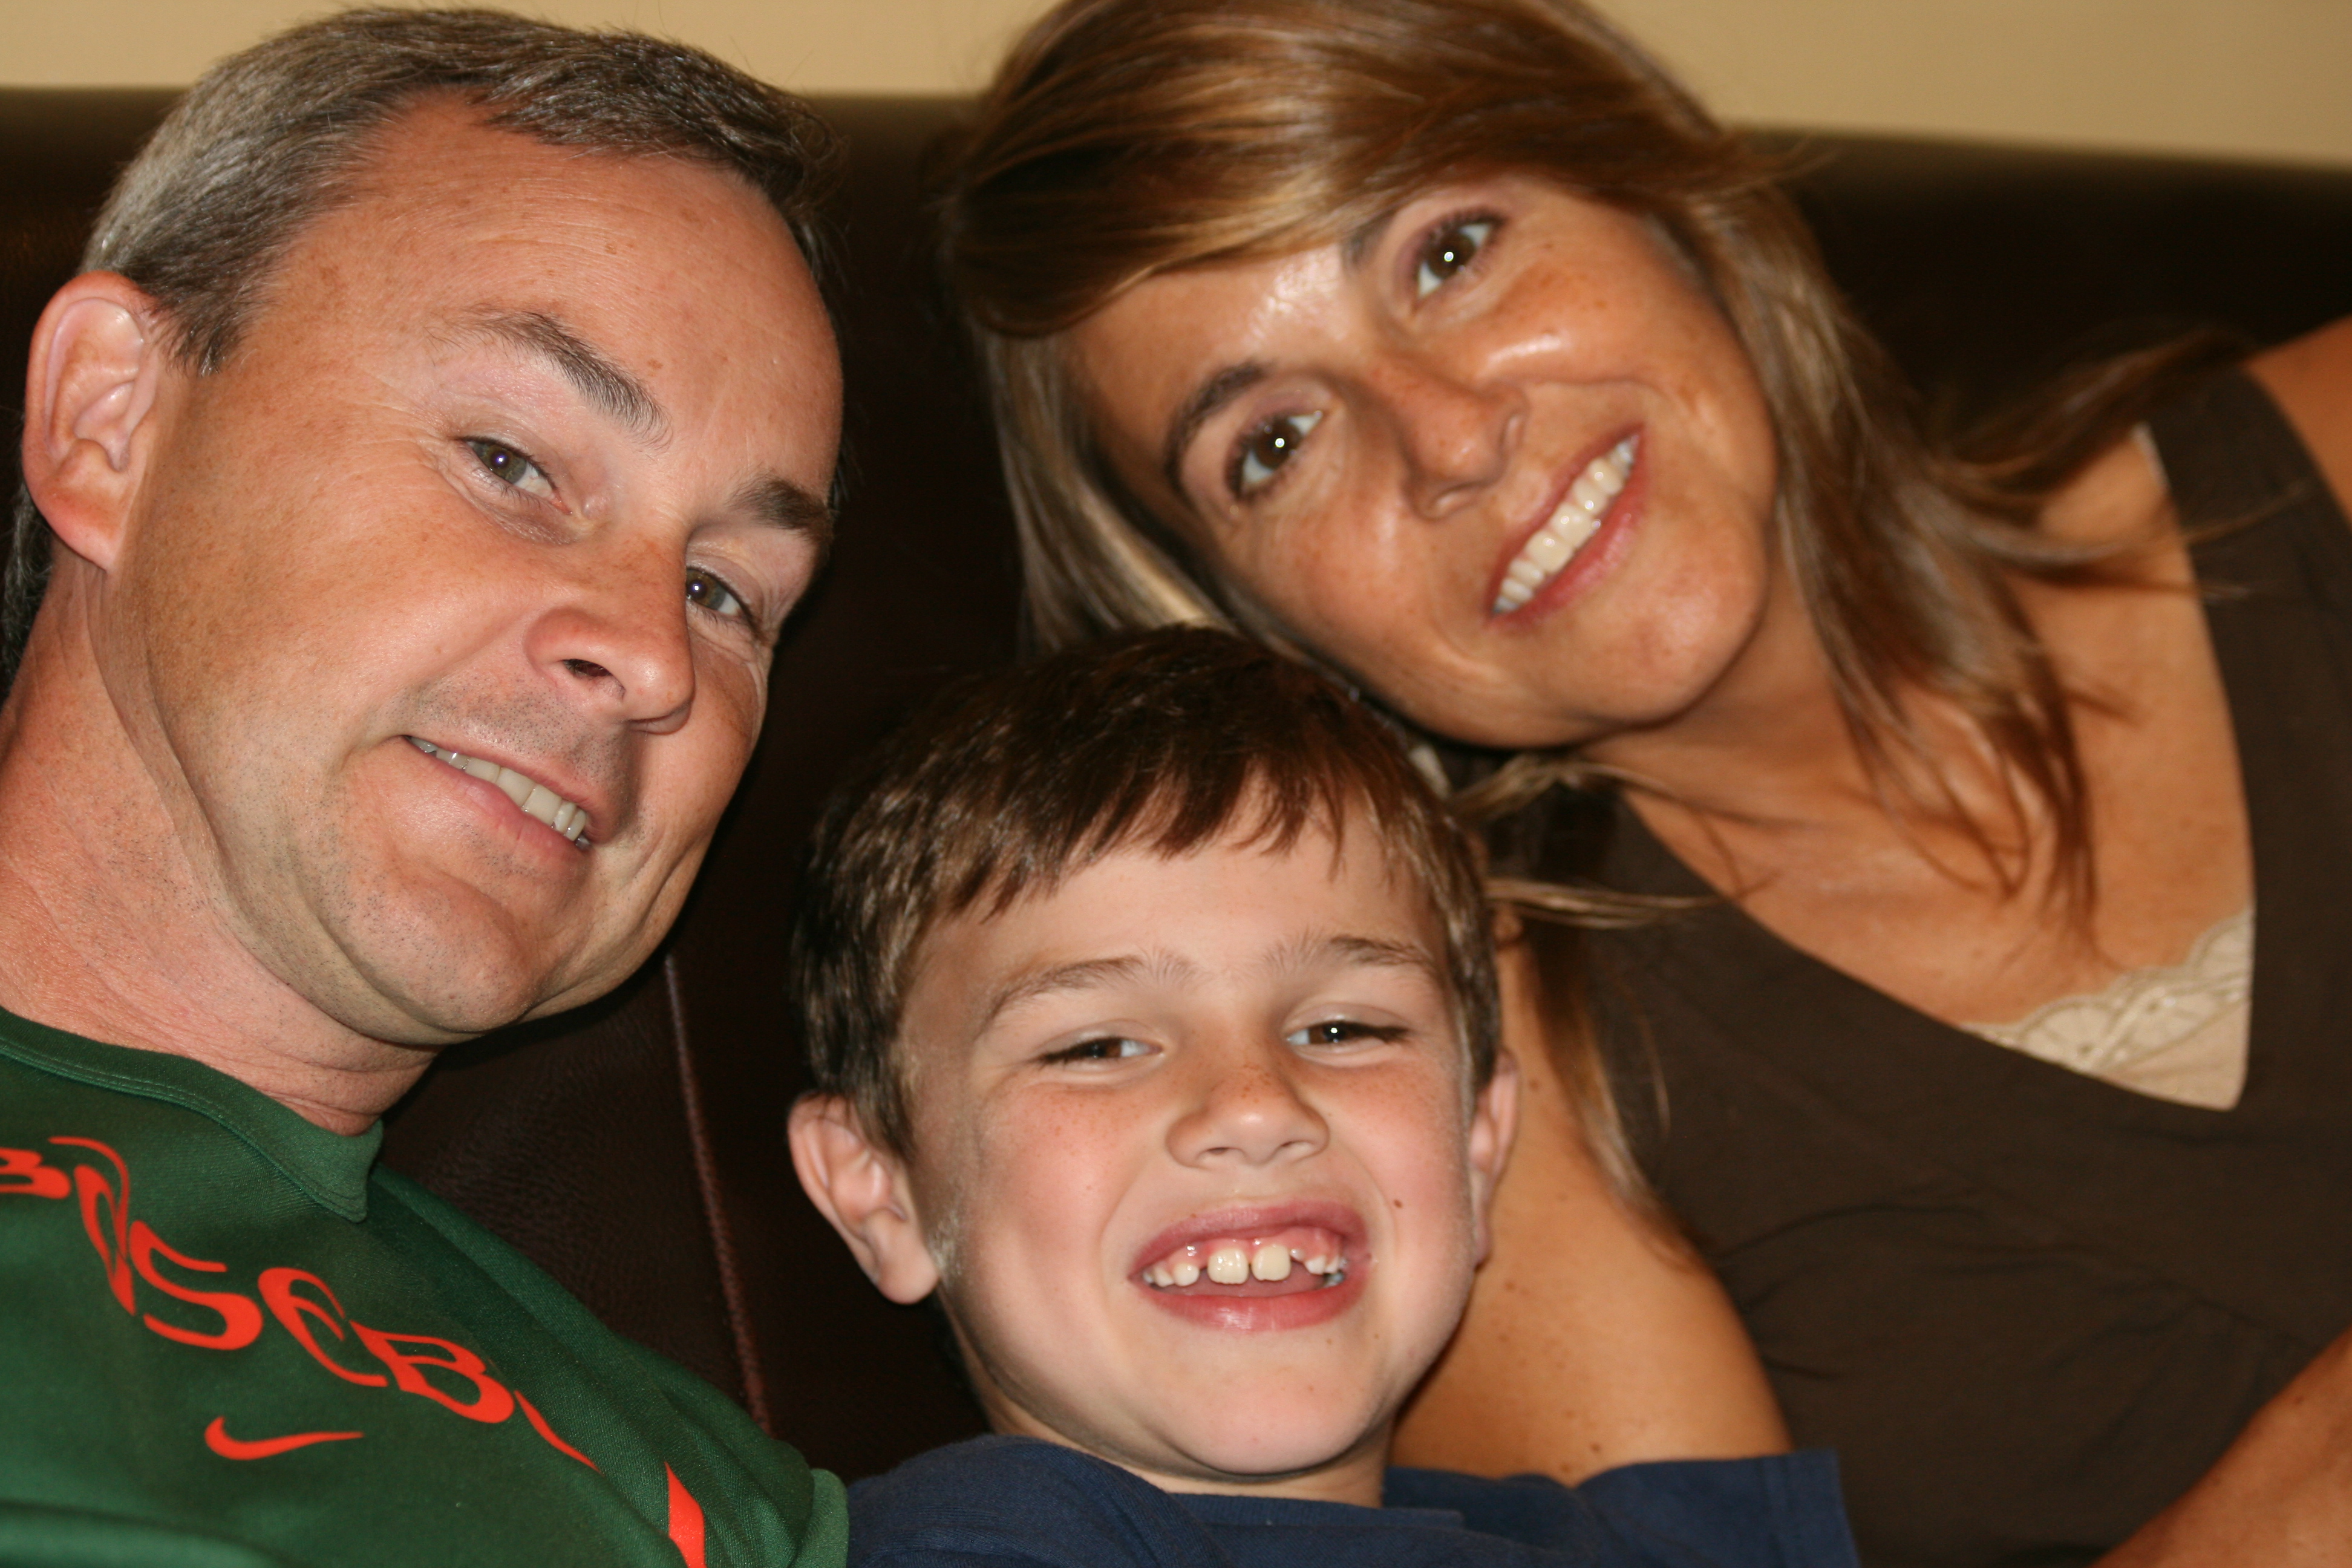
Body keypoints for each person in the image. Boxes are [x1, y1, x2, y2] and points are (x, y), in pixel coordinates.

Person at [927, 1, 2352, 1564]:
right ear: (1245, 619)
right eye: (1275, 444)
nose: (1449, 439)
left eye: (1449, 252)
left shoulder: (2318, 467)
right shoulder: (1469, 1095)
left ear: (1652, 192)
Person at [0, 10, 846, 1564]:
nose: (653, 657)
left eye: (726, 592)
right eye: (510, 461)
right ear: (110, 422)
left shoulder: (736, 1503)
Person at [784, 627, 1862, 1567]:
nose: (1257, 1107)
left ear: (1480, 1144)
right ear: (882, 1192)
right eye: (1098, 1045)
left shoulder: (1647, 1543)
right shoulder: (982, 1547)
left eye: (1345, 1030)